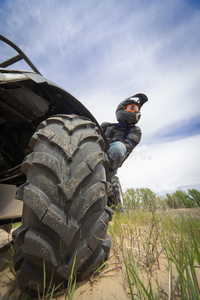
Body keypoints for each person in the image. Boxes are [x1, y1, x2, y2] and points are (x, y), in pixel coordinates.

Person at [101, 93, 148, 176]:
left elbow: (127, 146)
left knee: (118, 147)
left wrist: (106, 142)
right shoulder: (106, 126)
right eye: (132, 108)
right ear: (121, 109)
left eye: (137, 109)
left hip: (109, 166)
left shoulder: (135, 130)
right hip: (95, 153)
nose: (136, 111)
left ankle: (105, 174)